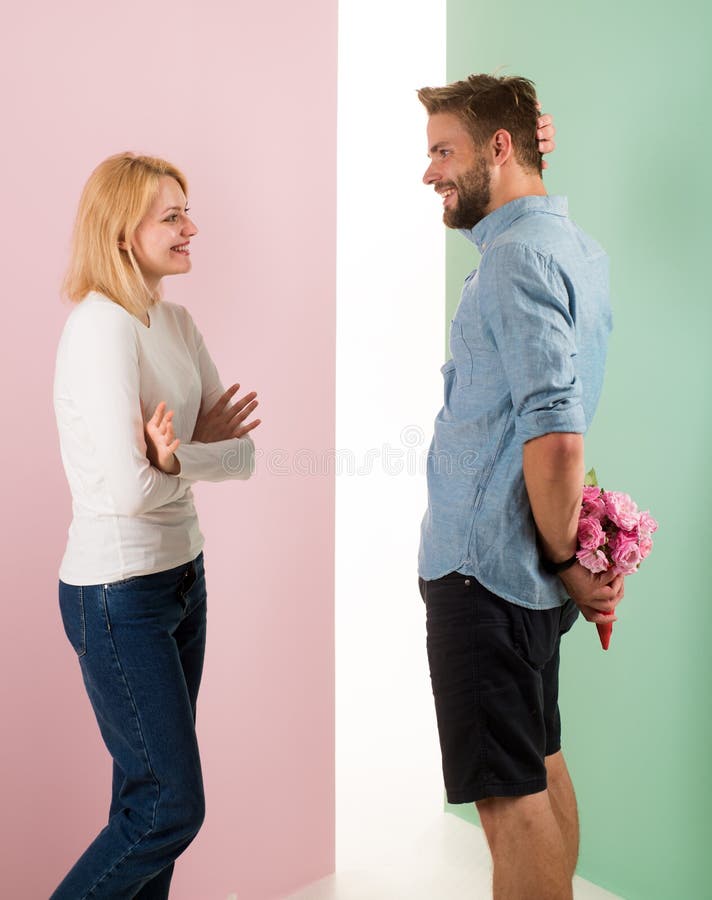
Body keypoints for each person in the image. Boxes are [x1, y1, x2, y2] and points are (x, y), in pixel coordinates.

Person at [416, 75, 624, 900]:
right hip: (519, 578)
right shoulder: (576, 248)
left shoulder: (514, 260)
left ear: (500, 148)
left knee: (510, 806)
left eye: (443, 152)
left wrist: (569, 555)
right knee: (538, 765)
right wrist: (564, 558)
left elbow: (559, 435)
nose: (429, 173)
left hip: (484, 574)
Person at [52, 153, 260, 899]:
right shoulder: (100, 330)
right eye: (171, 216)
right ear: (120, 233)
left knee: (143, 803)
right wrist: (172, 462)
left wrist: (176, 458)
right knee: (169, 807)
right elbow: (128, 491)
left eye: (186, 211)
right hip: (118, 596)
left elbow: (243, 455)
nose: (191, 228)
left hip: (182, 578)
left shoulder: (175, 321)